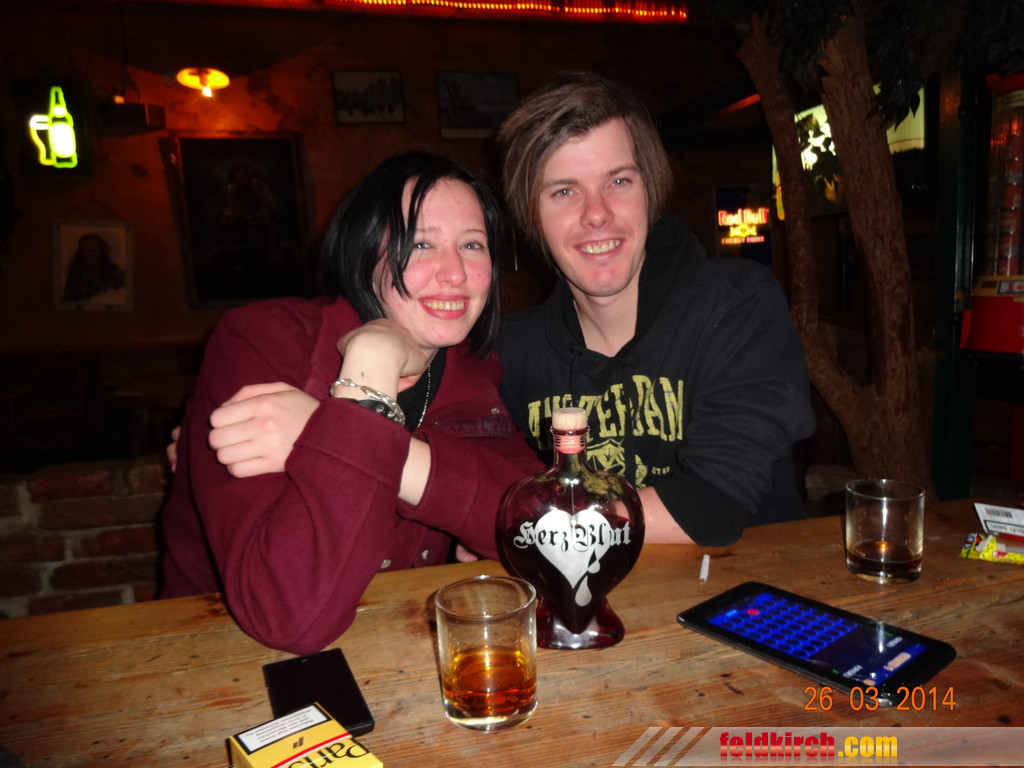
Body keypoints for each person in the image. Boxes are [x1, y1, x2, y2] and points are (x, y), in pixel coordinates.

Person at [159, 152, 542, 655]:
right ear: (364, 251)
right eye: (420, 243)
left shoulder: (474, 373)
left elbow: (547, 530)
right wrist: (371, 363)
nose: (454, 273)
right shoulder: (264, 343)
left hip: (397, 644)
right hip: (208, 656)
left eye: (473, 245)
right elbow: (292, 615)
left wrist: (332, 434)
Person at [495, 71, 815, 546]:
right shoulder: (511, 352)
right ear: (531, 216)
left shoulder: (736, 305)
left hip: (747, 592)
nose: (596, 213)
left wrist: (525, 525)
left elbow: (713, 505)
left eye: (618, 181)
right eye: (564, 191)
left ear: (650, 190)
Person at [61, 232, 126, 303]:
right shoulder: (74, 275)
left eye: (94, 251)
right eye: (85, 251)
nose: (89, 255)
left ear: (102, 253)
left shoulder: (116, 275)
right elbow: (67, 302)